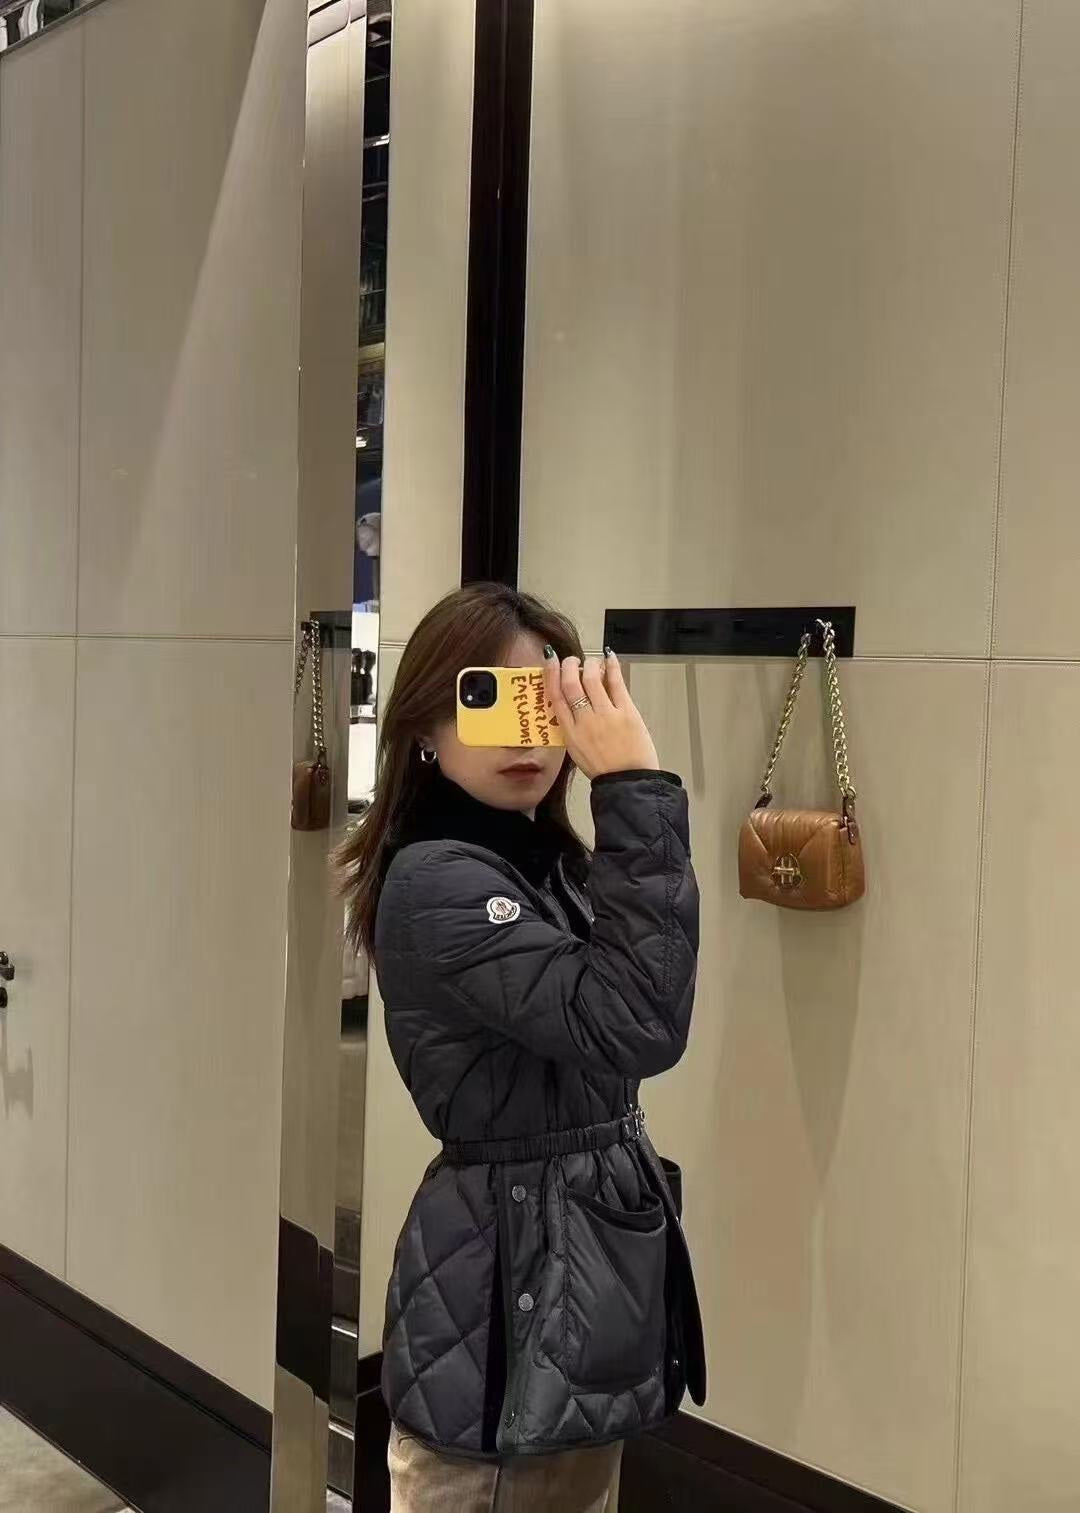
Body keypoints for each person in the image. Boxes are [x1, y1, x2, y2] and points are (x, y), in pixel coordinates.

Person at [340, 583, 705, 1513]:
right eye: (488, 699)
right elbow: (639, 1020)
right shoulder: (437, 881)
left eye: (543, 702)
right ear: (426, 724)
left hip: (570, 1284)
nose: (526, 737)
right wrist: (634, 785)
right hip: (504, 1309)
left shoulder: (550, 864)